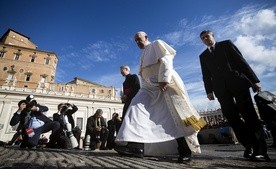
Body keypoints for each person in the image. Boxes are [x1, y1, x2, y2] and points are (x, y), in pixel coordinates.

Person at [115, 31, 206, 163]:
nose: (137, 42)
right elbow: (144, 76)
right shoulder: (142, 56)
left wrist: (164, 79)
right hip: (148, 88)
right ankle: (136, 147)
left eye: (139, 39)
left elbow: (166, 61)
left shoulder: (157, 44)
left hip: (165, 84)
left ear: (146, 37)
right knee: (135, 106)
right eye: (135, 41)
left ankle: (185, 150)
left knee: (174, 116)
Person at [199, 30, 270, 162]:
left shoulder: (226, 45)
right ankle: (248, 146)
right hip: (221, 90)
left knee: (250, 115)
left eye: (207, 36)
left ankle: (261, 151)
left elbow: (241, 61)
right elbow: (206, 75)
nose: (206, 39)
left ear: (213, 36)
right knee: (233, 119)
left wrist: (254, 80)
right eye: (203, 38)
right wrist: (209, 91)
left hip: (238, 84)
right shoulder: (203, 56)